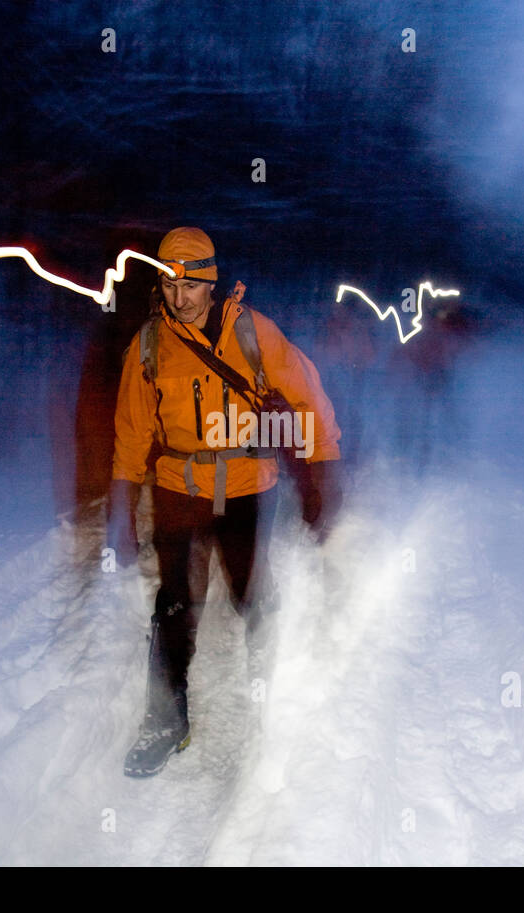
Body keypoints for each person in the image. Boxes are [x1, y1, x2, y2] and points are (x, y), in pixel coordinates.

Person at [108, 226, 342, 777]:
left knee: (250, 591)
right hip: (178, 488)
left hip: (245, 487)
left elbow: (308, 396)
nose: (178, 296)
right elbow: (131, 436)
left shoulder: (252, 333)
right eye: (169, 284)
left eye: (189, 285)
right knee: (172, 605)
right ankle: (166, 720)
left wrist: (321, 475)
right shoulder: (147, 346)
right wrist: (123, 509)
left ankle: (276, 689)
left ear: (210, 283)